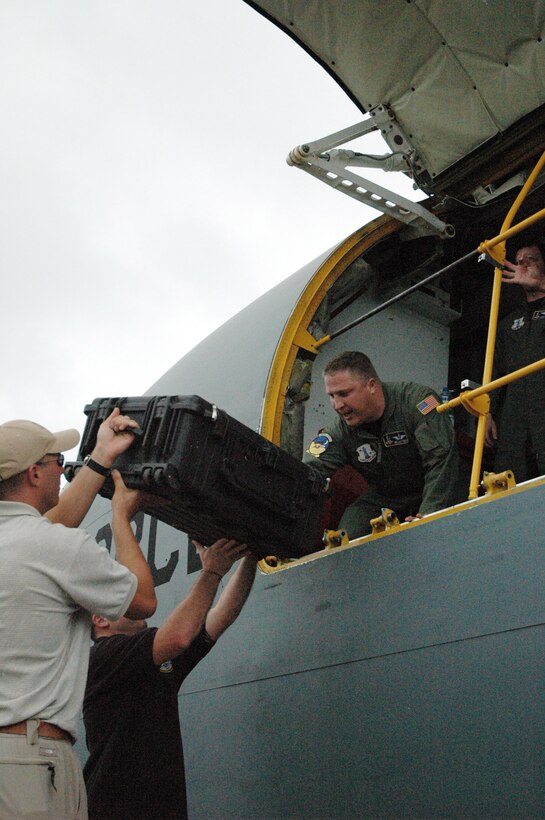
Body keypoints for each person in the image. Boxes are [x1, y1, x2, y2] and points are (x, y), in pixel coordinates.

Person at [0, 411, 157, 820]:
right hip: (31, 762)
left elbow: (47, 528)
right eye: (57, 463)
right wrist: (122, 517)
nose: (63, 470)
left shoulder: (24, 542)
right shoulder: (55, 546)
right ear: (35, 474)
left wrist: (101, 457)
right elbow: (142, 601)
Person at [83, 538, 258, 820]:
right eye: (123, 599)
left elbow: (220, 617)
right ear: (100, 620)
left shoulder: (154, 660)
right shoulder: (102, 658)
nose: (137, 600)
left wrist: (252, 557)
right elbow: (178, 636)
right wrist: (211, 572)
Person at [304, 351, 458, 537]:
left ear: (371, 386)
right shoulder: (338, 431)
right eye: (331, 396)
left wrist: (429, 514)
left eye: (344, 394)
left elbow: (441, 462)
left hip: (438, 485)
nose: (337, 405)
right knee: (347, 533)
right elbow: (309, 472)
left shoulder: (417, 401)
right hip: (387, 497)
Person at [485, 240, 545, 481]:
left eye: (530, 259)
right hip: (514, 416)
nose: (522, 264)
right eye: (518, 261)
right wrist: (487, 413)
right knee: (511, 478)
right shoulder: (508, 324)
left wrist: (541, 284)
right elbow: (496, 370)